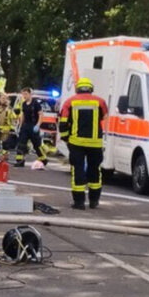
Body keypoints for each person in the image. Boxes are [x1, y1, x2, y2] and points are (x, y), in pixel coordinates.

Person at [59, 77, 108, 209]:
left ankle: (79, 202)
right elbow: (105, 117)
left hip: (76, 143)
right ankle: (94, 201)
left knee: (78, 170)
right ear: (91, 88)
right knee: (95, 171)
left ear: (77, 88)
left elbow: (63, 123)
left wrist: (65, 138)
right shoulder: (100, 102)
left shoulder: (69, 102)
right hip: (95, 143)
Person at [14, 87, 48, 167]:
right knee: (21, 144)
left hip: (33, 126)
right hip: (25, 126)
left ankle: (43, 159)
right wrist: (20, 125)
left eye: (25, 94)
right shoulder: (23, 104)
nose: (24, 96)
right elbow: (23, 115)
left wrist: (38, 125)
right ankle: (20, 161)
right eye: (23, 94)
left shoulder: (36, 104)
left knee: (37, 145)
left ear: (30, 94)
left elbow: (41, 115)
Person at [0, 91, 16, 162]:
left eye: (5, 98)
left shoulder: (9, 109)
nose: (3, 99)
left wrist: (12, 128)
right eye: (2, 98)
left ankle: (4, 157)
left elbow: (13, 119)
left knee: (5, 145)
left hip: (6, 129)